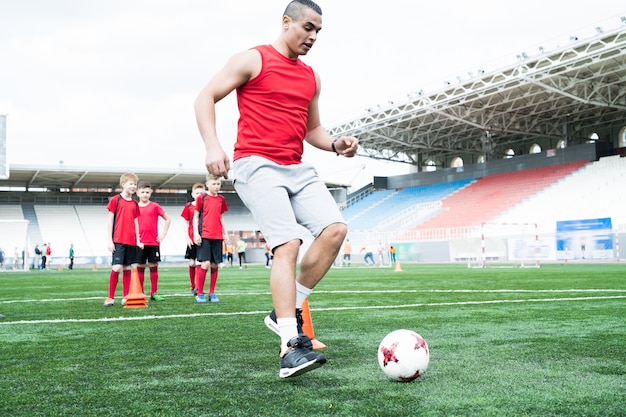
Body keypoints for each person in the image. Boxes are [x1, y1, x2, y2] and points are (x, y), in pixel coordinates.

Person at [194, 0, 358, 378]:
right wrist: (212, 145)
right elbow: (205, 97)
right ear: (286, 22)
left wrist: (335, 144)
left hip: (296, 166)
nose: (313, 36)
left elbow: (311, 129)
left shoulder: (311, 77)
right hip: (256, 164)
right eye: (308, 27)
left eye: (319, 31)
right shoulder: (253, 60)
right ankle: (290, 347)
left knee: (335, 230)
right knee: (288, 243)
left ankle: (286, 309)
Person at [104, 173, 142, 307]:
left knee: (127, 268)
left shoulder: (135, 204)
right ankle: (110, 297)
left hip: (131, 241)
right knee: (117, 267)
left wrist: (138, 240)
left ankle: (126, 297)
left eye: (135, 184)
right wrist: (110, 240)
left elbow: (136, 222)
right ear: (123, 185)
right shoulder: (115, 200)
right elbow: (109, 220)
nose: (133, 186)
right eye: (131, 184)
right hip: (118, 239)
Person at [192, 174, 229, 303]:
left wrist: (226, 234)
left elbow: (221, 217)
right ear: (207, 184)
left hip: (217, 236)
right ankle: (200, 293)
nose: (216, 186)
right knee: (205, 263)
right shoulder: (202, 198)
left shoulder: (222, 199)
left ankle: (212, 292)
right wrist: (196, 234)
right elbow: (196, 216)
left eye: (218, 184)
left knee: (214, 264)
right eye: (214, 184)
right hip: (205, 235)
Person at [136, 181, 172, 301]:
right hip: (140, 243)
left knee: (153, 266)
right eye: (143, 192)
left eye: (147, 192)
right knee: (140, 266)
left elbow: (168, 219)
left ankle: (154, 292)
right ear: (137, 193)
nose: (145, 194)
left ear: (151, 193)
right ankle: (140, 292)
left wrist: (163, 234)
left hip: (153, 242)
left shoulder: (155, 206)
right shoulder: (135, 207)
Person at [181, 183, 206, 295]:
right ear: (192, 194)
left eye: (201, 193)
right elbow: (185, 222)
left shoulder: (206, 205)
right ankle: (192, 285)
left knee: (200, 263)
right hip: (192, 237)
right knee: (192, 263)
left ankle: (198, 287)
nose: (199, 195)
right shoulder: (189, 206)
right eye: (197, 193)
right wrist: (187, 238)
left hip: (203, 237)